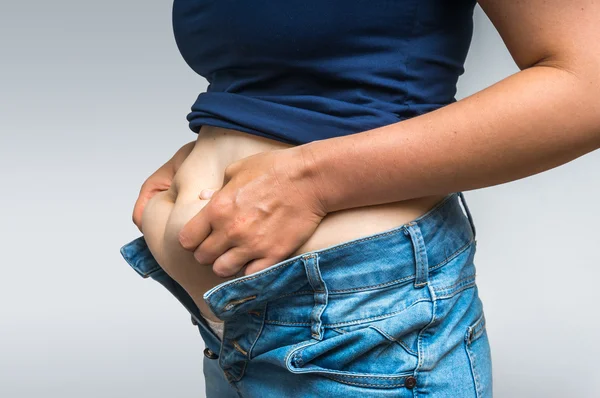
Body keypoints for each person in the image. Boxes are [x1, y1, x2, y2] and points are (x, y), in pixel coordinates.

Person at [120, 1, 600, 397]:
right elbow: (290, 85)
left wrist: (311, 182)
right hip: (233, 318)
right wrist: (204, 152)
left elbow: (590, 85)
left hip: (356, 323)